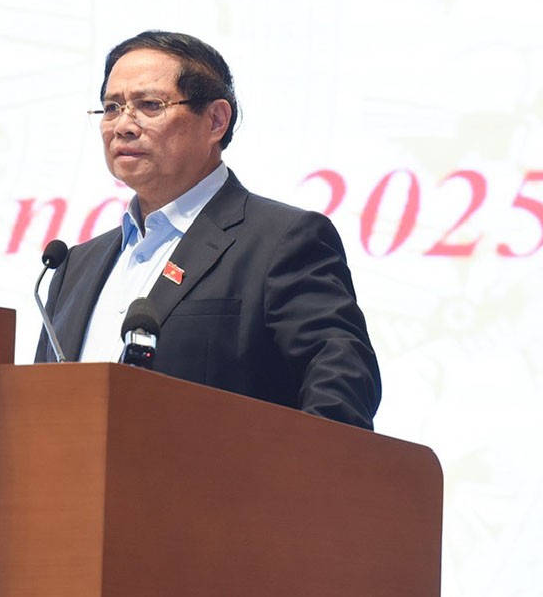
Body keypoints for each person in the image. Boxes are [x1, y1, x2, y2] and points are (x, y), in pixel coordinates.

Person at [35, 30, 381, 430]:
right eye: (112, 107)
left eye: (149, 105)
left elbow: (341, 387)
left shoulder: (282, 242)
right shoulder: (73, 266)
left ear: (216, 120)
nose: (123, 125)